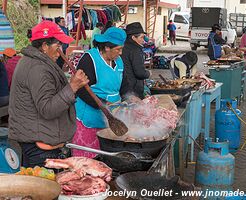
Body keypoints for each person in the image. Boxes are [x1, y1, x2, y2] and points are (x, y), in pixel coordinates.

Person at [8, 20, 89, 168]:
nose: (60, 50)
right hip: (40, 147)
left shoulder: (37, 62)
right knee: (44, 189)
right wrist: (72, 87)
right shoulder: (38, 68)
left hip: (40, 140)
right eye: (57, 45)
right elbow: (48, 109)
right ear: (45, 46)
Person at [72, 27, 127, 158]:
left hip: (112, 117)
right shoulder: (90, 59)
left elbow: (124, 83)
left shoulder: (118, 61)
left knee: (107, 159)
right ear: (107, 47)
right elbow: (81, 90)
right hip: (90, 117)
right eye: (118, 49)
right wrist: (104, 104)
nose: (120, 53)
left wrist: (130, 98)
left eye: (121, 49)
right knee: (89, 160)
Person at [120, 22, 151, 100]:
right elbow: (140, 73)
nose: (143, 40)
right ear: (133, 38)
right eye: (141, 37)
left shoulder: (123, 47)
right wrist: (148, 73)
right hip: (133, 89)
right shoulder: (135, 50)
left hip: (124, 88)